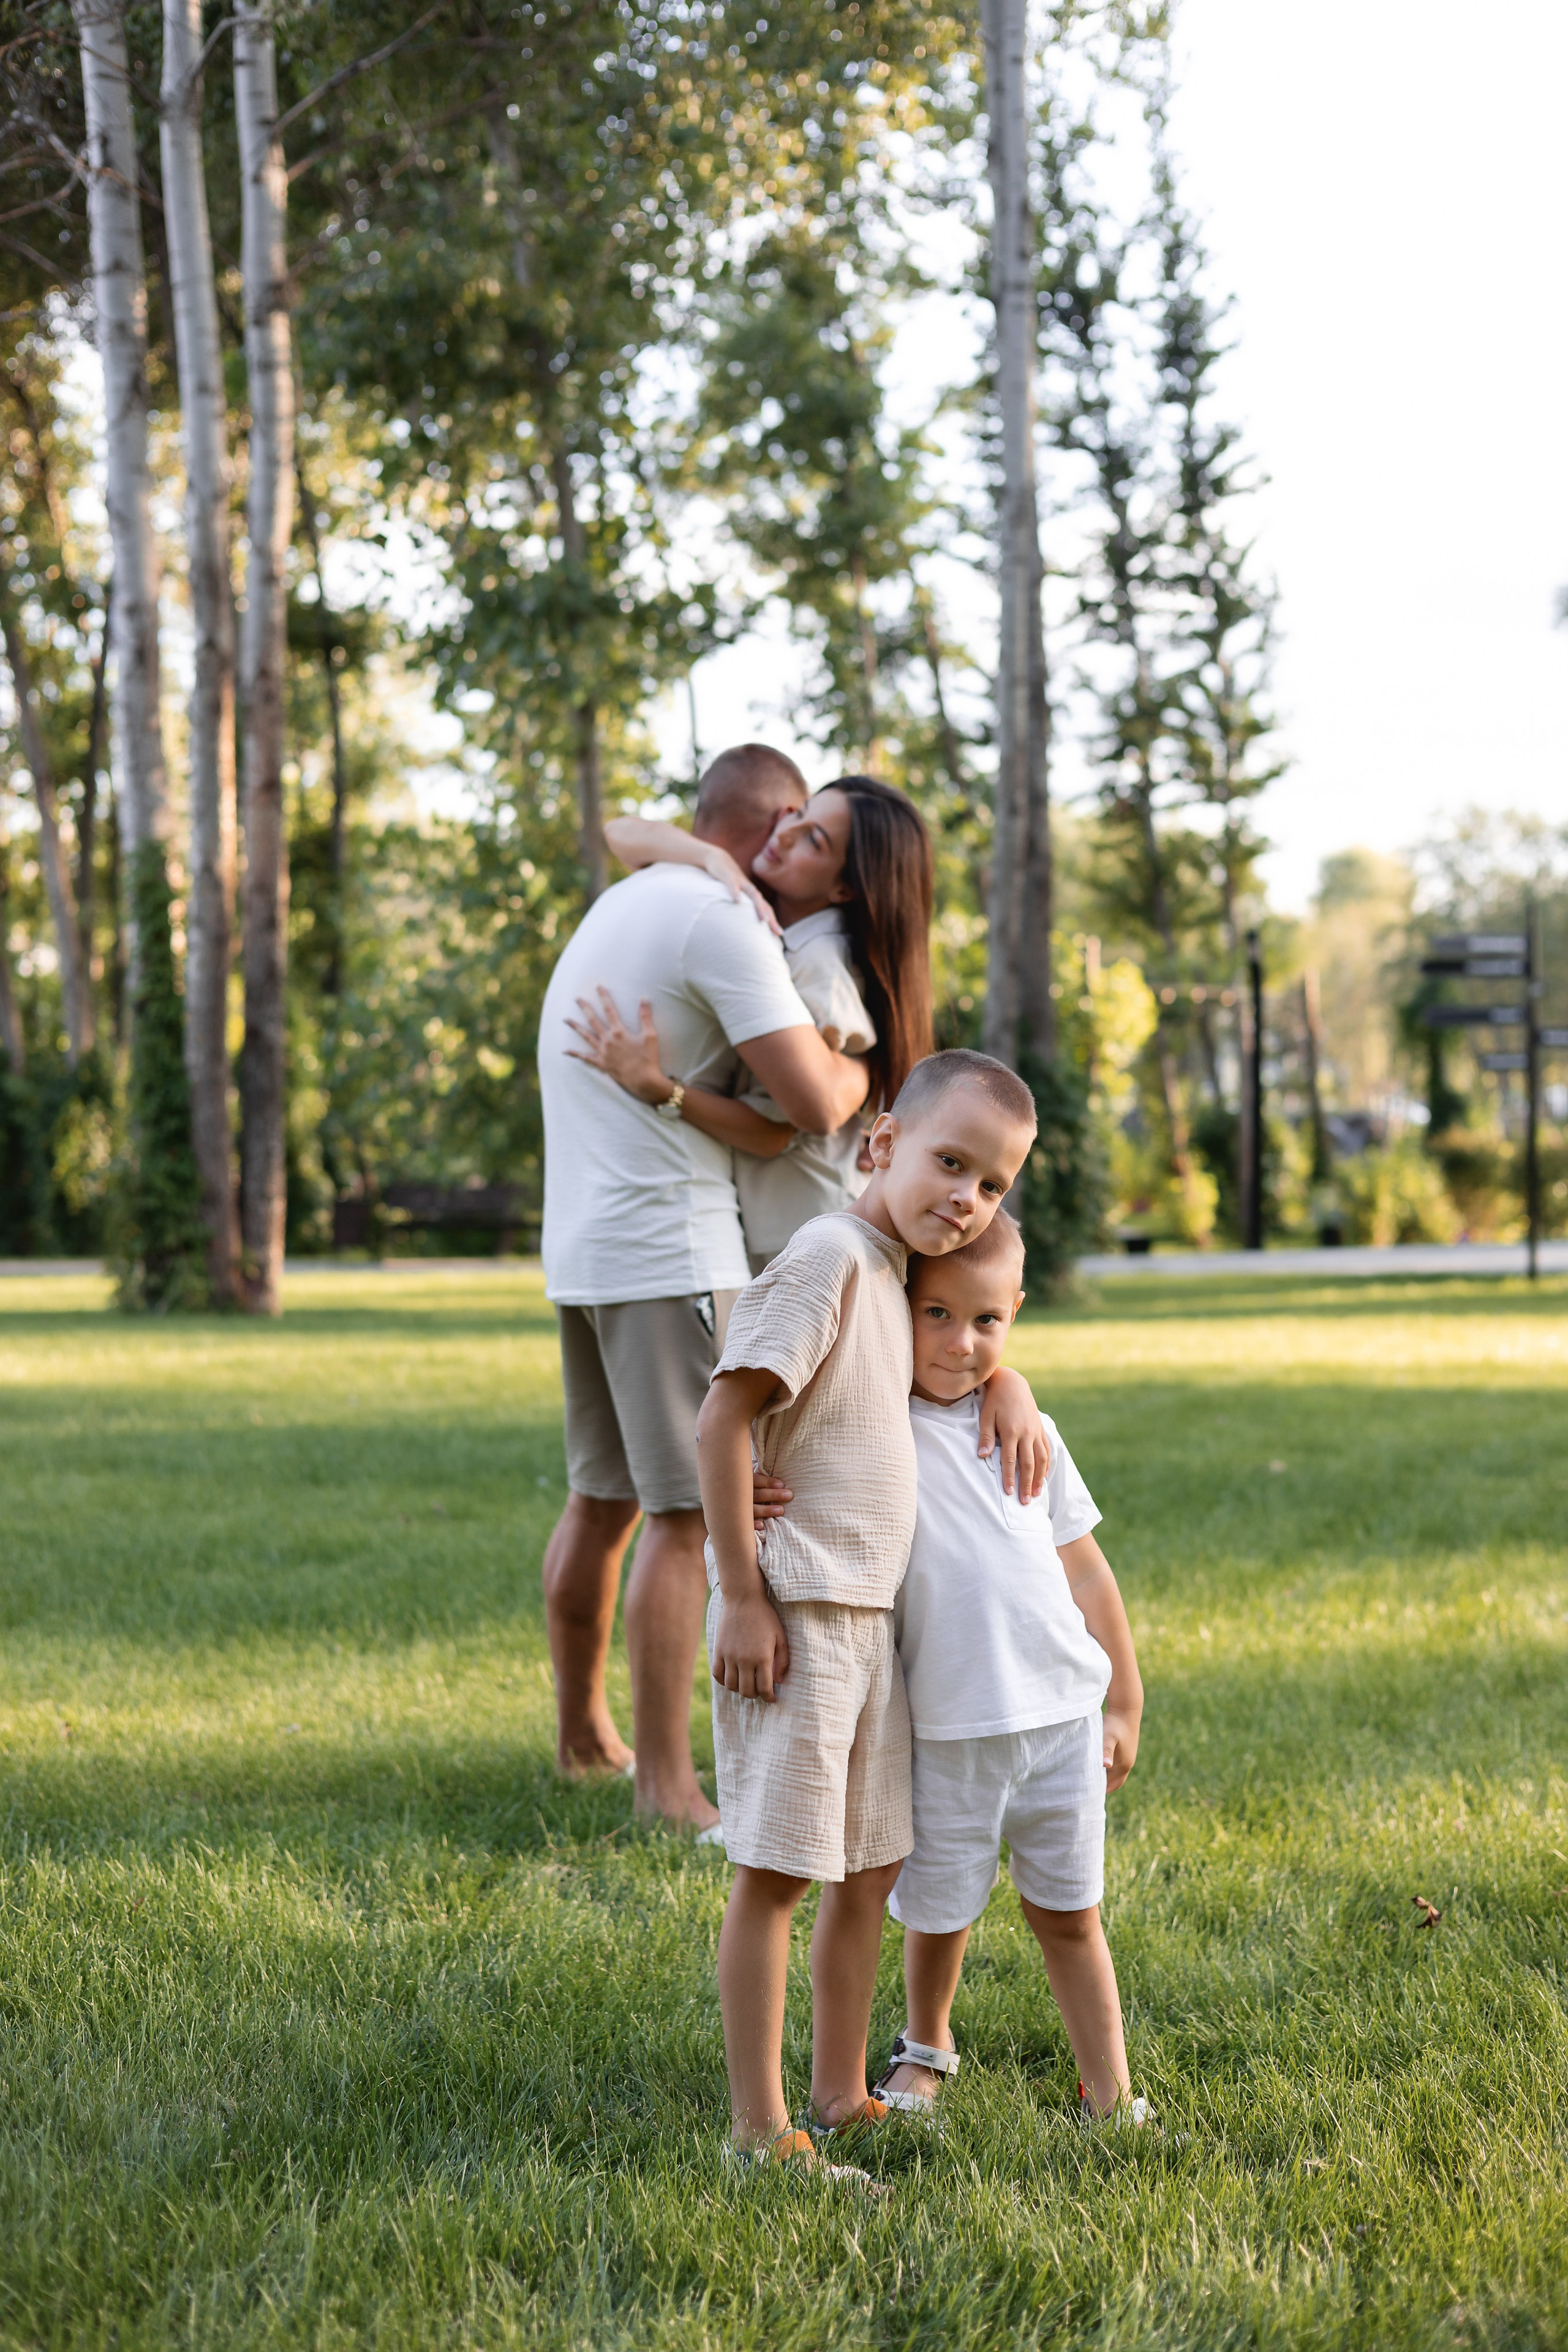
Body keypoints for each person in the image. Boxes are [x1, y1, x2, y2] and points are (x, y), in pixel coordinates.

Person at [695, 1048, 1042, 2171]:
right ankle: (761, 2134)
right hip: (795, 1616)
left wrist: (1010, 1380)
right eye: (951, 1162)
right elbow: (724, 1417)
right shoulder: (832, 1257)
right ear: (883, 1142)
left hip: (870, 1625)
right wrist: (739, 1593)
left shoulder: (895, 1280)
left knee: (869, 1866)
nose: (967, 1196)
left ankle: (840, 2094)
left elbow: (952, 1352)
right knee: (778, 1873)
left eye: (993, 1183)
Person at [536, 744, 870, 1829]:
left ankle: (584, 1738)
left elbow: (628, 834)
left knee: (603, 1501)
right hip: (668, 1250)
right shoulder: (724, 921)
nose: (798, 841)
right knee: (687, 1521)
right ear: (775, 819)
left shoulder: (635, 897)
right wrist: (868, 1070)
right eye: (799, 823)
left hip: (586, 1248)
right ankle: (667, 1787)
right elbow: (813, 1105)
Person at [872, 1210, 1147, 2126]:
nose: (962, 1343)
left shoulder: (1030, 1429)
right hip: (951, 1730)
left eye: (986, 1321)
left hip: (1063, 1721)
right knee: (938, 1911)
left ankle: (1110, 2091)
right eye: (937, 1315)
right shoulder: (877, 1429)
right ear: (897, 1307)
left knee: (1071, 1913)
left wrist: (1124, 1701)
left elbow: (1087, 1571)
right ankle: (925, 2048)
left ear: (1016, 1313)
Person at [579, 777, 934, 1271]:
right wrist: (712, 858)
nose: (786, 833)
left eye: (814, 840)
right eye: (799, 814)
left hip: (803, 1232)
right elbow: (619, 831)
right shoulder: (779, 928)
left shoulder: (817, 964)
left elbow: (774, 1132)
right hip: (790, 1226)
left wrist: (659, 1088)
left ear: (844, 888)